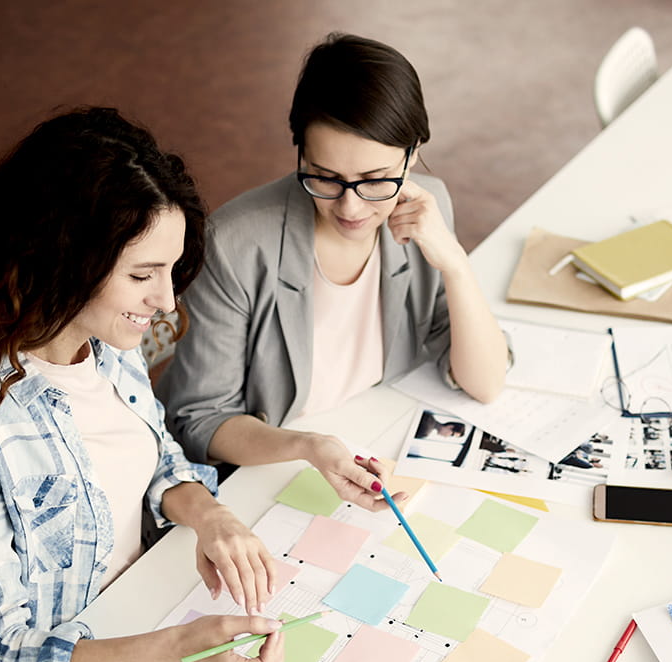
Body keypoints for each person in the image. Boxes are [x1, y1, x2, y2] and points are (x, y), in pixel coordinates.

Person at [0, 107, 283, 662]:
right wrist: (178, 647)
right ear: (62, 259)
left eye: (172, 270)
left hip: (143, 619)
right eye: (142, 274)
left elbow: (152, 456)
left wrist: (207, 513)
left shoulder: (110, 345)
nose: (166, 299)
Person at [157, 33, 509, 510]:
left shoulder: (427, 207)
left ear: (413, 153)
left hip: (379, 440)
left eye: (375, 181)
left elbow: (484, 383)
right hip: (271, 474)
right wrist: (308, 446)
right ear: (300, 149)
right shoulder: (237, 244)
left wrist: (456, 266)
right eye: (324, 176)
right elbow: (199, 419)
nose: (350, 207)